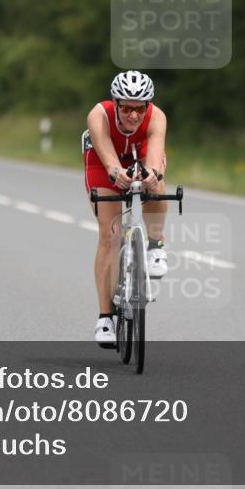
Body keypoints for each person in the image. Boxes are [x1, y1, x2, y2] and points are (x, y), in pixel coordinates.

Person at [83, 71, 168, 347]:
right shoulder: (99, 115)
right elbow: (108, 160)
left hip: (140, 152)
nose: (134, 115)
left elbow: (154, 158)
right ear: (116, 104)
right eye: (127, 108)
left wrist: (152, 175)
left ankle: (155, 245)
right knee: (111, 234)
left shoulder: (157, 117)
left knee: (157, 185)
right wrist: (115, 172)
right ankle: (105, 318)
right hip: (102, 158)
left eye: (140, 108)